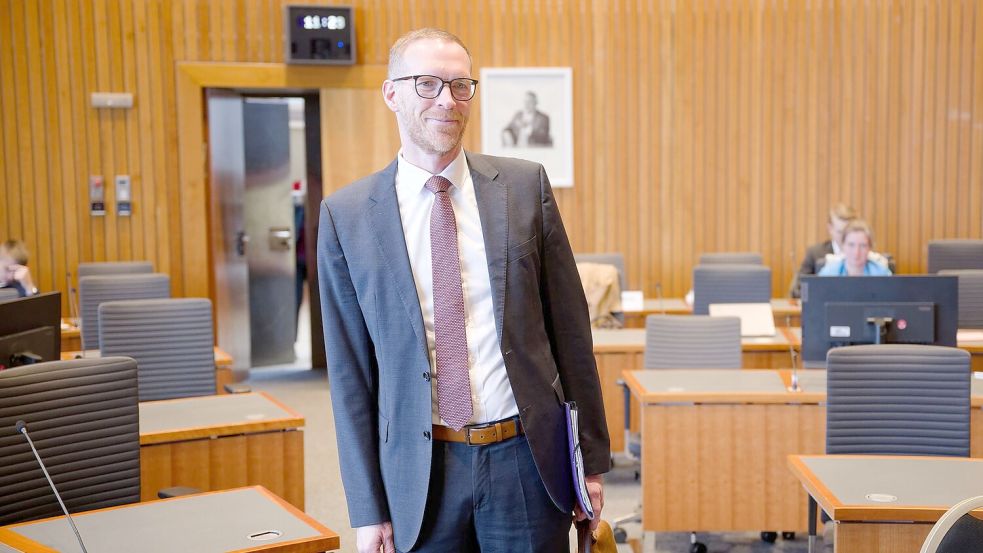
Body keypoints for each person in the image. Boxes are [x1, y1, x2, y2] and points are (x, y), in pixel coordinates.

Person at [317, 28, 609, 553]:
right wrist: (368, 508)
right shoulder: (348, 216)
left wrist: (590, 461)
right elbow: (350, 376)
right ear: (391, 93)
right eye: (426, 84)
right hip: (419, 473)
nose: (446, 101)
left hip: (526, 461)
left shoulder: (524, 189)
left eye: (460, 86)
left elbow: (571, 335)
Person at [790, 203, 857, 297]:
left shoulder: (864, 256)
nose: (845, 237)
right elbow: (797, 291)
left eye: (849, 231)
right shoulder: (815, 254)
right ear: (830, 228)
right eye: (840, 232)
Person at [817, 219, 892, 276]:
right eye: (851, 245)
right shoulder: (828, 273)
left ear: (870, 247)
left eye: (863, 245)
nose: (856, 252)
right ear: (843, 245)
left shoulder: (882, 273)